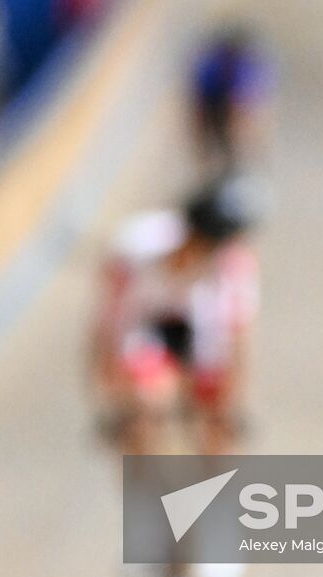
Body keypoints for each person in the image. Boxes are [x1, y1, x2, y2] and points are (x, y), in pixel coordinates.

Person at [90, 176, 259, 460]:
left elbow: (237, 334)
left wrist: (232, 402)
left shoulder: (232, 265)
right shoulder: (135, 248)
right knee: (145, 411)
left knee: (214, 424)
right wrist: (108, 390)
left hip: (203, 334)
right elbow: (108, 320)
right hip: (147, 329)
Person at [189, 24, 273, 172]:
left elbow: (254, 112)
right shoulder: (213, 70)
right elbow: (200, 106)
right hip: (216, 98)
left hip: (228, 98)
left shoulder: (248, 75)